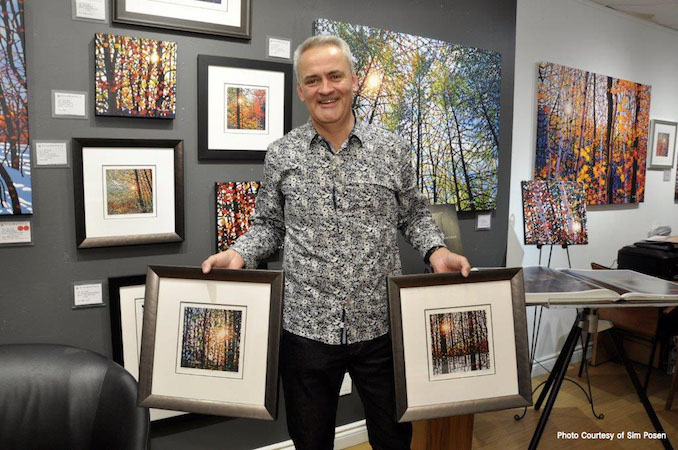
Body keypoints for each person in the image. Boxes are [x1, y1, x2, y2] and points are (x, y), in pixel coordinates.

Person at [202, 35, 471, 450]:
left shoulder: (391, 149)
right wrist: (239, 252)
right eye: (313, 80)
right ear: (301, 90)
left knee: (394, 438)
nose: (325, 88)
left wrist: (437, 251)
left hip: (380, 324)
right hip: (305, 328)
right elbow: (269, 225)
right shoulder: (281, 154)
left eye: (334, 76)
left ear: (354, 80)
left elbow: (414, 215)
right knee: (310, 441)